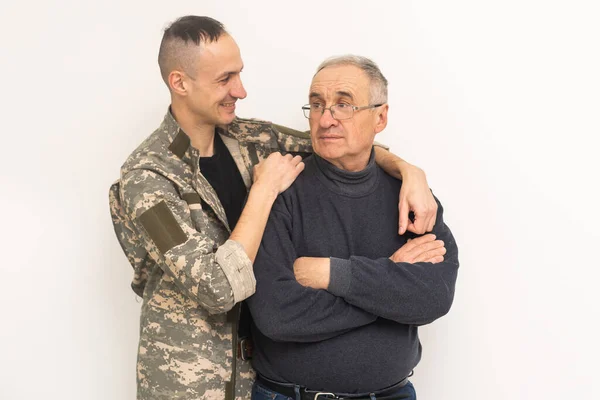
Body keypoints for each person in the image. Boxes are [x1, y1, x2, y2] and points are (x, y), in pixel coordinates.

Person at [108, 16, 438, 400]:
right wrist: (263, 191)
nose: (241, 90)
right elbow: (216, 288)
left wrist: (410, 171)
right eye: (224, 79)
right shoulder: (148, 178)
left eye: (239, 74)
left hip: (258, 380)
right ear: (180, 83)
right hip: (190, 384)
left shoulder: (251, 140)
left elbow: (340, 138)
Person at [246, 55, 460, 400]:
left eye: (343, 104)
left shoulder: (411, 197)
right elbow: (277, 315)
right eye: (317, 105)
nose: (326, 119)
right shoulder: (279, 190)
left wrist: (333, 274)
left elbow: (434, 296)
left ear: (381, 117)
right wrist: (391, 283)